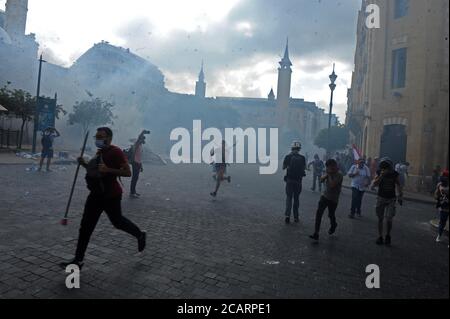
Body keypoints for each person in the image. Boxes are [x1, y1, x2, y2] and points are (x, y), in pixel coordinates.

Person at [60, 127, 146, 269]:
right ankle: (78, 260)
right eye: (97, 137)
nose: (98, 139)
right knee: (85, 227)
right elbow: (96, 171)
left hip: (111, 195)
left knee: (118, 222)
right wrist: (84, 164)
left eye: (101, 137)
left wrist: (108, 170)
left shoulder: (116, 152)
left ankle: (140, 234)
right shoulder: (100, 152)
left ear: (109, 138)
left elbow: (127, 172)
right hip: (95, 194)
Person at [371, 158, 403, 246]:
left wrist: (400, 195)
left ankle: (388, 235)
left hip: (391, 199)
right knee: (380, 218)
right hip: (381, 197)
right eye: (383, 167)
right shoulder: (379, 172)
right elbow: (374, 184)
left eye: (386, 167)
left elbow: (398, 185)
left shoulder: (394, 174)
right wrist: (381, 176)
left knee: (389, 218)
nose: (385, 169)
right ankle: (380, 236)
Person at [309, 159, 343, 241]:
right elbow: (321, 180)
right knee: (319, 213)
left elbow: (332, 185)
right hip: (325, 196)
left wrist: (329, 175)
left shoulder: (339, 175)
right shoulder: (328, 172)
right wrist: (326, 175)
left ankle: (334, 225)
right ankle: (316, 233)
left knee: (331, 215)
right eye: (328, 167)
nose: (330, 169)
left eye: (331, 167)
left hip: (333, 199)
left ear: (335, 166)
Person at [283, 141, 306, 224]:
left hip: (289, 180)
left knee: (289, 198)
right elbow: (304, 169)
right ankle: (296, 217)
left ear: (291, 148)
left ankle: (287, 216)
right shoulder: (302, 158)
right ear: (299, 149)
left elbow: (283, 167)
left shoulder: (288, 156)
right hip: (298, 181)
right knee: (296, 199)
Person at [130, 130, 150, 198]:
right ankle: (132, 192)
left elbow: (140, 156)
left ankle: (133, 191)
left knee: (136, 178)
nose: (144, 140)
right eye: (143, 139)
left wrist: (141, 166)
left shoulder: (140, 146)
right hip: (135, 163)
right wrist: (143, 132)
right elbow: (139, 138)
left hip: (138, 163)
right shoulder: (137, 144)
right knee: (134, 178)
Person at [434, 170, 449, 243]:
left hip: (444, 206)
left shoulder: (440, 184)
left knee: (442, 222)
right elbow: (436, 195)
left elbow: (436, 195)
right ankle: (439, 235)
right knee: (442, 222)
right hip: (444, 206)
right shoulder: (440, 184)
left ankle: (439, 236)